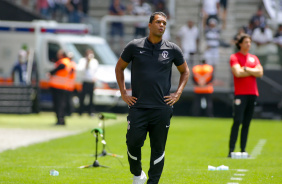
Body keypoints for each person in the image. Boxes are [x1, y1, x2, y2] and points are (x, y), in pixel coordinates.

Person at [115, 12, 189, 184]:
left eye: (164, 23)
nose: (162, 25)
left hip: (162, 108)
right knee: (133, 143)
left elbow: (185, 71)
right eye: (158, 22)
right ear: (149, 25)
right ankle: (137, 173)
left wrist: (177, 93)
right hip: (138, 107)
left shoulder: (172, 49)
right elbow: (119, 68)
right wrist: (124, 92)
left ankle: (152, 182)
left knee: (158, 149)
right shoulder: (134, 46)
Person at [228, 33, 263, 157]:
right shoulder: (234, 57)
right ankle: (231, 150)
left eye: (250, 42)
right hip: (240, 94)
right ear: (240, 44)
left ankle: (243, 150)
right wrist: (252, 71)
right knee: (237, 120)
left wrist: (247, 69)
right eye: (246, 42)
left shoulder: (254, 58)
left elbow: (260, 72)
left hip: (252, 93)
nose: (249, 44)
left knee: (247, 123)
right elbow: (237, 73)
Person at [49, 49, 71, 125]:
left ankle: (60, 120)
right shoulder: (65, 61)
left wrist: (52, 72)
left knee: (59, 105)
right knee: (61, 104)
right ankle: (60, 119)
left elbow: (62, 66)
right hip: (60, 86)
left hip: (59, 86)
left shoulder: (64, 61)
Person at [77, 49, 99, 116]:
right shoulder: (82, 60)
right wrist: (87, 62)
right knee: (82, 97)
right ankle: (80, 111)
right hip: (85, 81)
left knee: (91, 98)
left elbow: (96, 71)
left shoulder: (95, 61)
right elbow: (81, 70)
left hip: (91, 82)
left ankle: (90, 111)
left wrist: (95, 78)